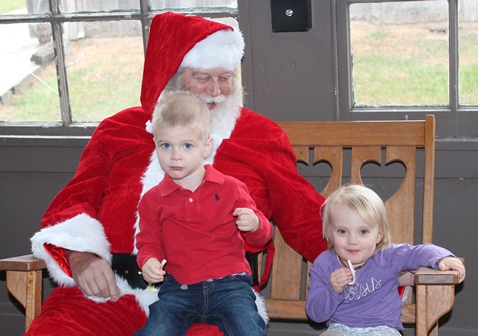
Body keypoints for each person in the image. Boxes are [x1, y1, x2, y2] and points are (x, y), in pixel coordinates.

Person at [28, 12, 327, 336]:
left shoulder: (260, 137)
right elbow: (73, 201)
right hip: (109, 292)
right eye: (202, 77)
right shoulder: (118, 130)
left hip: (212, 300)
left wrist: (373, 268)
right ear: (171, 78)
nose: (216, 90)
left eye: (225, 77)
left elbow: (306, 216)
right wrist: (81, 255)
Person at [134, 90, 272, 335]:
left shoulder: (231, 188)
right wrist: (149, 262)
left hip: (230, 286)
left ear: (206, 146)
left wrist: (255, 224)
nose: (175, 156)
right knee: (156, 330)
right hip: (178, 289)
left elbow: (261, 239)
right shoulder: (152, 200)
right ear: (155, 144)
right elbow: (148, 243)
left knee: (249, 329)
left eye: (187, 145)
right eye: (166, 145)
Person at [305, 184, 466, 336]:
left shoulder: (388, 256)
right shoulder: (324, 264)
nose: (352, 240)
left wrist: (441, 258)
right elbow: (315, 314)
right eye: (342, 231)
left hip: (382, 328)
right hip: (339, 328)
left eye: (363, 231)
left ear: (379, 234)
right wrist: (332, 291)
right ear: (329, 232)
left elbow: (421, 251)